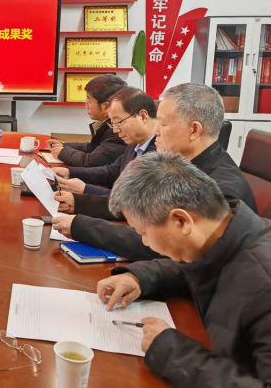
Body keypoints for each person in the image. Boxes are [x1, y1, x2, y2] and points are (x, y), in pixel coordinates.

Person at [95, 153, 271, 387]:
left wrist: (173, 353)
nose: (145, 242)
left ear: (182, 221)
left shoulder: (263, 286)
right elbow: (201, 266)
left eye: (143, 233)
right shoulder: (224, 233)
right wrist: (140, 278)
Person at [53, 83, 257, 261]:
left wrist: (82, 226)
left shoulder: (222, 191)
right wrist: (79, 203)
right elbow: (141, 205)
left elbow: (163, 245)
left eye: (163, 123)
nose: (156, 130)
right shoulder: (182, 165)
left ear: (194, 130)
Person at [52, 87, 158, 220]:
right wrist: (70, 172)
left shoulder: (161, 153)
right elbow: (112, 171)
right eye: (113, 124)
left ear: (142, 116)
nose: (115, 130)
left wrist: (85, 189)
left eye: (118, 122)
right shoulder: (135, 142)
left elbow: (133, 202)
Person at [46, 74, 127, 167]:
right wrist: (63, 146)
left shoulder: (117, 130)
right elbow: (93, 148)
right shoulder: (106, 124)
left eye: (89, 101)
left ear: (105, 106)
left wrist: (62, 152)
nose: (86, 106)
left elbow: (91, 161)